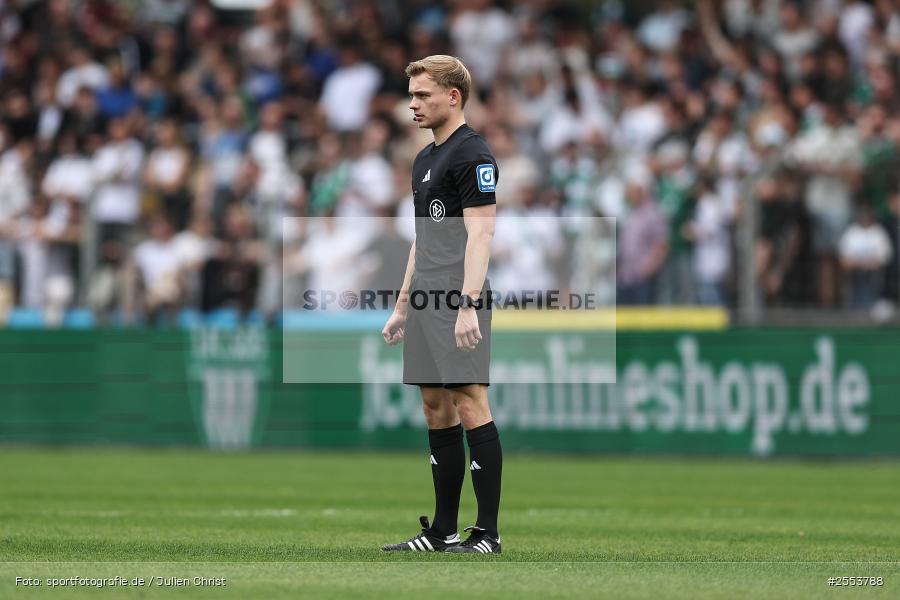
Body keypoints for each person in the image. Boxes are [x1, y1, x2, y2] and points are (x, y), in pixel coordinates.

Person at [380, 55, 501, 554]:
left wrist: (468, 304)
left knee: (471, 404)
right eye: (411, 95)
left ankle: (487, 534)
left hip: (457, 296)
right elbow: (421, 239)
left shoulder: (474, 154)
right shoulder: (425, 158)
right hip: (426, 296)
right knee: (435, 408)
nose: (413, 104)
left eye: (423, 94)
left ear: (453, 96)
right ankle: (442, 530)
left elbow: (482, 232)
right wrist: (403, 305)